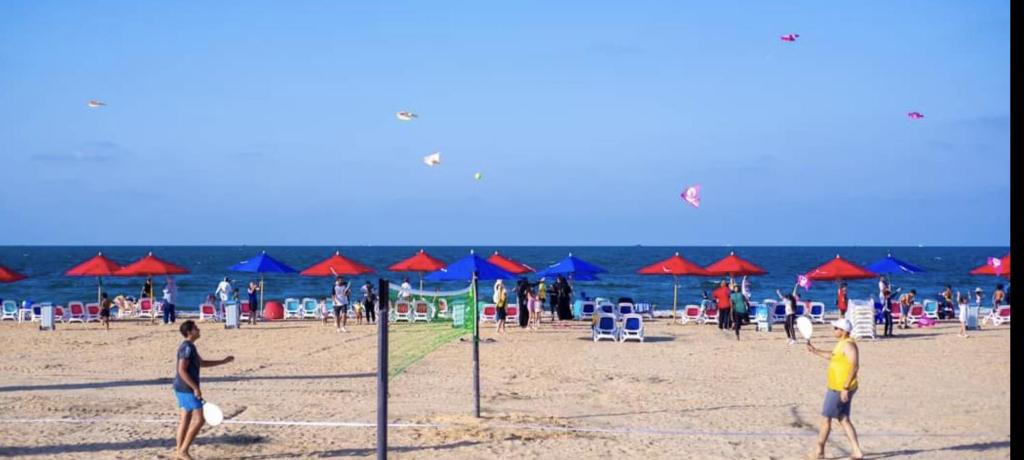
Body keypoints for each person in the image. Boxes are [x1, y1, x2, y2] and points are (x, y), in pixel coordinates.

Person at [173, 320, 234, 460]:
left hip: (180, 387)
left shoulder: (190, 347)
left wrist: (223, 361)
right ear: (189, 332)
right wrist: (195, 388)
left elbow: (202, 363)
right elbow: (181, 370)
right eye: (196, 328)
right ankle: (183, 451)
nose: (198, 330)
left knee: (185, 419)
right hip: (186, 388)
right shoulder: (187, 348)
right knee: (200, 419)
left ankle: (178, 452)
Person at [805, 318, 865, 460]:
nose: (834, 330)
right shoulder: (841, 344)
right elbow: (832, 356)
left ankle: (819, 451)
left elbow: (854, 366)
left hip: (839, 388)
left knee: (826, 419)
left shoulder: (849, 345)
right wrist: (815, 351)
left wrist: (845, 388)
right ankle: (857, 451)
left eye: (836, 328)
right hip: (838, 386)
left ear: (844, 331)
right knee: (843, 419)